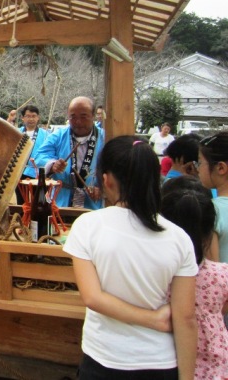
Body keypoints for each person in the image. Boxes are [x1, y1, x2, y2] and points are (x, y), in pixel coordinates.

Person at [64, 136, 198, 379]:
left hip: (104, 358)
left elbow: (93, 298)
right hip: (160, 361)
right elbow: (186, 318)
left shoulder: (87, 225)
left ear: (107, 180)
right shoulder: (179, 238)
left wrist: (153, 320)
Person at [160, 175, 228, 379]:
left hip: (166, 361)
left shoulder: (158, 276)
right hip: (215, 366)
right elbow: (223, 307)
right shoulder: (222, 274)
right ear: (209, 233)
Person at [32, 96, 105, 209]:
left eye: (83, 116)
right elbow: (39, 156)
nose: (78, 122)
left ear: (93, 115)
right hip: (61, 201)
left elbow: (116, 168)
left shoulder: (105, 137)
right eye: (73, 117)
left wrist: (103, 187)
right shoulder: (58, 135)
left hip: (94, 203)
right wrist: (52, 164)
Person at [196, 132, 228, 263]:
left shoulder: (211, 210)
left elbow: (212, 269)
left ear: (221, 168)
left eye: (200, 162)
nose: (197, 169)